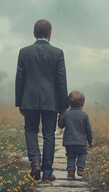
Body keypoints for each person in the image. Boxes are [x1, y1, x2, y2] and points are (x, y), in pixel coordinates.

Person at [15, 19, 68, 181]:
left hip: (29, 99)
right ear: (50, 34)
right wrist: (63, 106)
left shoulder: (24, 52)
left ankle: (35, 162)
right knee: (49, 135)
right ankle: (47, 172)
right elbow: (61, 81)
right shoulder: (58, 53)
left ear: (34, 34)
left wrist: (20, 102)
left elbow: (20, 79)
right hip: (51, 101)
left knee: (31, 130)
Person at [58, 90, 93, 180]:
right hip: (81, 142)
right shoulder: (84, 115)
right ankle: (80, 168)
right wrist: (90, 141)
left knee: (70, 157)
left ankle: (70, 172)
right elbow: (88, 130)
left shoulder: (66, 114)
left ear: (69, 103)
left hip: (69, 142)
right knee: (82, 155)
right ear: (83, 103)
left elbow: (60, 125)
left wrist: (60, 116)